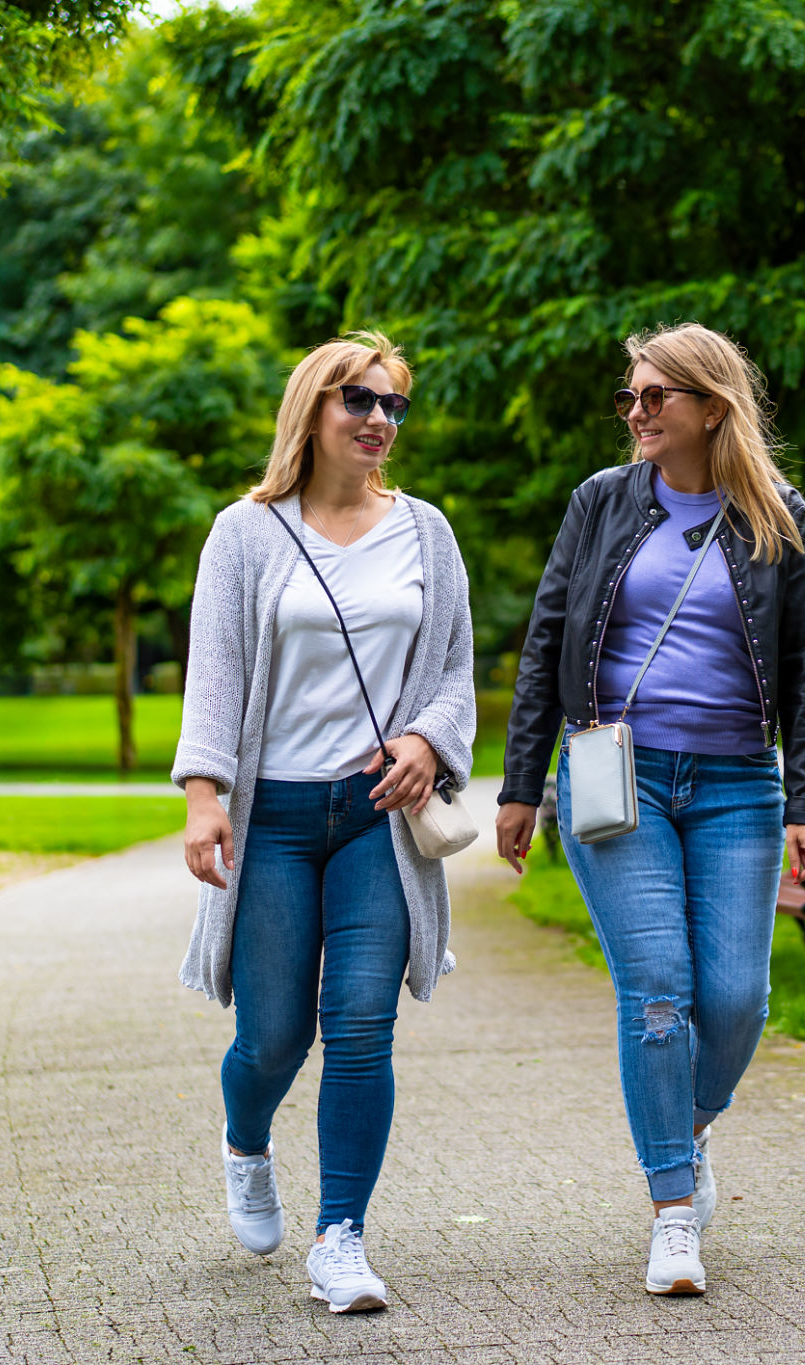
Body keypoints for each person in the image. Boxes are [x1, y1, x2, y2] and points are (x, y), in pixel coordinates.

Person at [494, 322, 805, 1295]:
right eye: (629, 396)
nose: (635, 411)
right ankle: (672, 1213)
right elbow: (545, 642)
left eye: (655, 397)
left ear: (711, 407)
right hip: (618, 778)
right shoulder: (600, 502)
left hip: (737, 783)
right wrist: (522, 787)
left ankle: (681, 1131)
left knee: (733, 1000)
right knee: (657, 996)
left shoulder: (779, 514)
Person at [173, 332, 475, 1314]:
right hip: (274, 817)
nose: (378, 420)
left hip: (375, 818)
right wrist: (204, 795)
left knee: (358, 1021)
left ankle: (339, 1237)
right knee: (271, 1035)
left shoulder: (426, 532)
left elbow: (451, 671)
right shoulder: (246, 532)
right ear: (312, 409)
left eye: (391, 405)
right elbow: (214, 670)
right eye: (358, 400)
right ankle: (245, 1141)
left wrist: (429, 740)